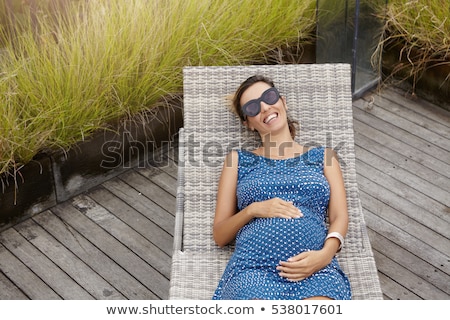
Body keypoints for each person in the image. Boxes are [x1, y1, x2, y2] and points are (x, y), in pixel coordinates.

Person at [211, 75, 352, 300]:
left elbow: (339, 216)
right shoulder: (237, 160)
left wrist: (325, 255)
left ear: (283, 101)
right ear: (247, 122)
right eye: (253, 106)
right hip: (253, 271)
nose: (265, 107)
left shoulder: (324, 157)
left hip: (314, 269)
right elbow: (220, 235)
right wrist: (252, 210)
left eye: (269, 97)